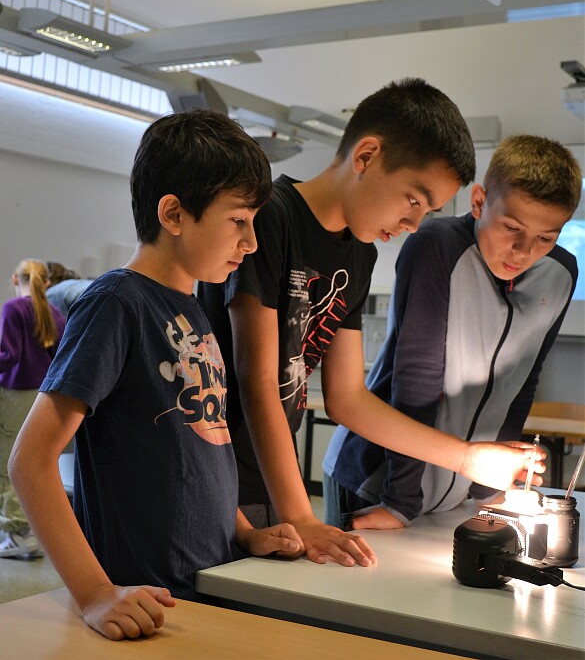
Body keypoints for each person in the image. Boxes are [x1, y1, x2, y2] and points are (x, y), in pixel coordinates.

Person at [198, 79, 546, 568]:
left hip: (270, 481)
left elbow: (348, 398)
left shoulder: (358, 255)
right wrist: (303, 517)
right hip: (215, 473)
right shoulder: (271, 218)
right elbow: (257, 382)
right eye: (414, 200)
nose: (414, 224)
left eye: (428, 211)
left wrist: (467, 457)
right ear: (365, 156)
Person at [9, 109, 302, 641]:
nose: (252, 242)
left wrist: (244, 533)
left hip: (206, 587)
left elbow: (207, 444)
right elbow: (30, 461)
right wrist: (96, 594)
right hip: (143, 603)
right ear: (174, 214)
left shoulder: (193, 308)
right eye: (238, 220)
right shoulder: (116, 303)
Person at [323, 135, 581, 530]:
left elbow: (523, 378)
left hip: (458, 487)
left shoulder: (560, 274)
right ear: (478, 202)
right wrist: (400, 502)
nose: (522, 250)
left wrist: (490, 487)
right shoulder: (437, 246)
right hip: (379, 480)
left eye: (545, 238)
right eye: (511, 227)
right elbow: (416, 378)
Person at [0, 259, 66, 558]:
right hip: (43, 399)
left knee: (8, 464)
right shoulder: (55, 314)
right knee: (34, 464)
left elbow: (9, 355)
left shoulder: (12, 309)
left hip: (16, 396)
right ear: (47, 283)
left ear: (16, 279)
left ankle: (19, 533)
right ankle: (33, 532)